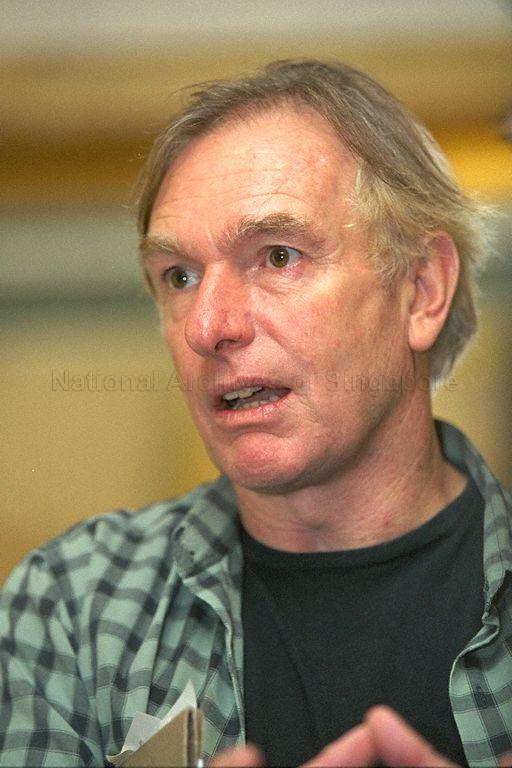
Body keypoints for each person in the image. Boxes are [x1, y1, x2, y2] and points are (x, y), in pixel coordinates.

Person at [1, 59, 510, 768]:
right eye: (178, 276)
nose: (208, 325)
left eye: (277, 256)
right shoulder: (71, 608)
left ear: (422, 289)